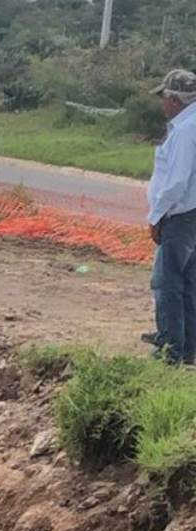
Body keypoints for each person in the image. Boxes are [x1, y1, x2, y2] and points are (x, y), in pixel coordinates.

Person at [143, 69, 196, 365]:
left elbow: (176, 182)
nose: (162, 102)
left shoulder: (186, 131)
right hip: (192, 214)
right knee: (188, 283)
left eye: (164, 96)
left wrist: (157, 215)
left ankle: (170, 350)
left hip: (181, 214)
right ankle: (185, 347)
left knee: (167, 283)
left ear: (175, 99)